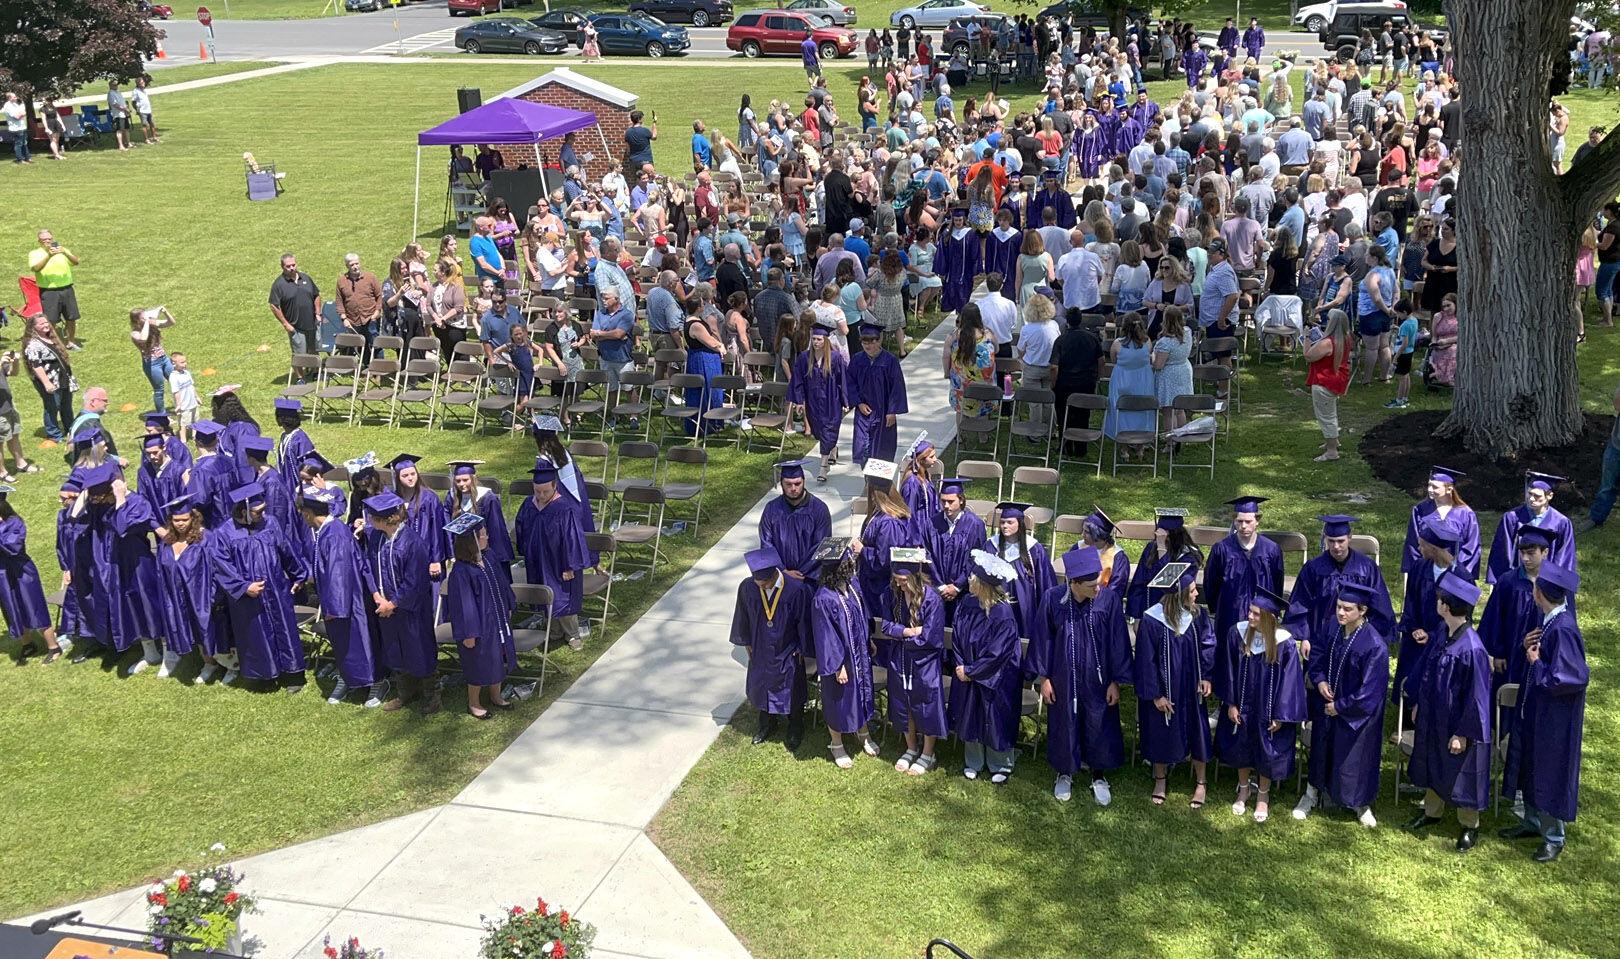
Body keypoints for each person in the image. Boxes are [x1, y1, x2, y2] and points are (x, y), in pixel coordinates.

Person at [1498, 562, 1587, 862]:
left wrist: (1536, 662)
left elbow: (1571, 678)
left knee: (1548, 771)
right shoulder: (1550, 620)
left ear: (1539, 594)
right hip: (1537, 711)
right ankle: (1532, 823)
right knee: (1532, 765)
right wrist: (1528, 647)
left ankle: (1553, 836)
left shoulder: (1564, 628)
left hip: (1555, 719)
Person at [1028, 545, 1130, 805]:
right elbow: (1043, 639)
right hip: (1063, 675)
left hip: (1099, 677)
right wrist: (1045, 678)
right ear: (1075, 583)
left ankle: (1098, 774)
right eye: (1092, 586)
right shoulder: (1053, 599)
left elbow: (1119, 641)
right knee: (1065, 721)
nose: (1098, 589)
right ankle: (1065, 772)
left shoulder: (1108, 600)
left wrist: (1115, 681)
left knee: (1099, 721)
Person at [1402, 572, 1491, 853]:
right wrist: (1418, 704)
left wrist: (1463, 734)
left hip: (1457, 724)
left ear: (1445, 607)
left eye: (1440, 599)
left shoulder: (1472, 648)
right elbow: (1427, 672)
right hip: (1434, 716)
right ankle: (1432, 812)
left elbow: (1478, 698)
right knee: (1432, 760)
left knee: (1463, 771)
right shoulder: (1443, 633)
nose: (1437, 602)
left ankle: (1469, 826)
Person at [1294, 581, 1390, 826]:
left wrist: (1340, 707)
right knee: (1320, 750)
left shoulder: (1374, 645)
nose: (1340, 613)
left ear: (1363, 610)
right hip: (1326, 706)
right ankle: (1311, 794)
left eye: (1347, 609)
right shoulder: (1332, 628)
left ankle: (1360, 804)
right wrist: (1319, 680)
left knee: (1354, 758)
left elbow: (1370, 691)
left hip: (1356, 715)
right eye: (1338, 607)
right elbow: (1315, 656)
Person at [1216, 587, 1306, 824]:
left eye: (1256, 614)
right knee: (1241, 746)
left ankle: (1263, 795)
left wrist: (1280, 715)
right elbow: (1228, 672)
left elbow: (1290, 684)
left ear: (1269, 618)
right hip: (1243, 706)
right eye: (1250, 611)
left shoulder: (1284, 644)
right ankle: (1244, 788)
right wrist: (1231, 703)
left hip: (1269, 710)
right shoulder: (1237, 634)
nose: (1250, 617)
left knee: (1267, 750)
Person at [1132, 561, 1214, 808]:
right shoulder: (1152, 620)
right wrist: (1155, 695)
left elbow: (1208, 645)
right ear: (1178, 595)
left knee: (1197, 730)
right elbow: (1146, 661)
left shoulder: (1196, 615)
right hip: (1164, 688)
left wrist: (1207, 676)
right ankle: (1160, 779)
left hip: (1191, 687)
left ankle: (1201, 782)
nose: (1196, 594)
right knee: (1160, 730)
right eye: (1191, 591)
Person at [212, 483, 308, 690]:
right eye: (258, 511)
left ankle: (293, 675)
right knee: (257, 634)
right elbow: (221, 567)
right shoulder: (224, 534)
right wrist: (244, 587)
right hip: (248, 597)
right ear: (242, 510)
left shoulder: (270, 523)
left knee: (284, 629)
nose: (263, 514)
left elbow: (286, 549)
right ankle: (265, 676)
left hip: (276, 588)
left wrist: (298, 575)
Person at [359, 491, 441, 715]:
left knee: (419, 649)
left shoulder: (413, 543)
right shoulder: (376, 538)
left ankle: (432, 696)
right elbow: (368, 568)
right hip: (385, 607)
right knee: (394, 649)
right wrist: (377, 595)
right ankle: (405, 692)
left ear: (384, 519)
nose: (369, 521)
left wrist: (392, 604)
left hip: (410, 609)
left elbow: (414, 582)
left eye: (372, 517)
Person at [300, 485, 381, 707]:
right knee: (346, 644)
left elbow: (338, 574)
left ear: (308, 513)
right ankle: (351, 678)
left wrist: (336, 609)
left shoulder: (334, 534)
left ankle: (376, 682)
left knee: (358, 641)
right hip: (340, 600)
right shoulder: (328, 531)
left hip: (347, 601)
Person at [875, 547, 947, 775]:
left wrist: (902, 636)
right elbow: (886, 626)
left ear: (915, 577)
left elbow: (930, 636)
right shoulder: (891, 594)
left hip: (925, 662)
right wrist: (907, 632)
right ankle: (911, 747)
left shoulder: (932, 599)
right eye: (896, 580)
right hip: (899, 659)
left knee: (925, 705)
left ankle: (928, 753)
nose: (900, 585)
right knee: (903, 702)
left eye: (904, 580)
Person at [732, 546, 812, 749]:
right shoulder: (748, 587)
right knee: (762, 685)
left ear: (775, 573)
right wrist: (747, 641)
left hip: (787, 648)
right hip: (760, 646)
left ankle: (795, 727)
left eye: (766, 583)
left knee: (791, 688)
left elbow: (805, 621)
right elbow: (742, 616)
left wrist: (802, 647)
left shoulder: (796, 589)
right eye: (759, 583)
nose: (764, 587)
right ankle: (767, 724)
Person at [1284, 514, 1395, 657]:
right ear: (1325, 539)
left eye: (1341, 541)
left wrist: (1374, 638)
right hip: (1320, 637)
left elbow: (1379, 604)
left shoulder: (1366, 567)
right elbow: (1301, 603)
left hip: (1356, 636)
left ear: (1350, 537)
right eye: (1331, 541)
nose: (1336, 546)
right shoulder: (1313, 568)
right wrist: (1305, 637)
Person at [809, 537, 877, 767]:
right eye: (848, 562)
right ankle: (836, 744)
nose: (852, 564)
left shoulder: (853, 586)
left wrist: (868, 640)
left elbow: (862, 615)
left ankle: (863, 733)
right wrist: (838, 665)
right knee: (838, 699)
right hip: (841, 660)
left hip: (859, 652)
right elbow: (825, 635)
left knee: (861, 693)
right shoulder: (823, 599)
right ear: (837, 568)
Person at [442, 513, 517, 720]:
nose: (487, 537)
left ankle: (496, 695)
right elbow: (463, 606)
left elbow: (502, 584)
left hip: (498, 620)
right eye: (483, 535)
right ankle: (474, 702)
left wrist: (509, 605)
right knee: (478, 661)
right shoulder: (461, 571)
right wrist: (469, 633)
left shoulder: (489, 557)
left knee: (498, 655)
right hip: (479, 626)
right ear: (472, 541)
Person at [515, 457, 590, 652]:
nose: (540, 495)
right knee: (546, 595)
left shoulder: (565, 508)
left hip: (560, 562)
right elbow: (521, 529)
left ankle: (572, 634)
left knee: (563, 597)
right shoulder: (528, 505)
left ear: (555, 486)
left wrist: (569, 566)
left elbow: (572, 539)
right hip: (538, 560)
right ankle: (555, 631)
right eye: (537, 491)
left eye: (545, 491)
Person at [1396, 514, 1471, 708]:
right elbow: (1410, 601)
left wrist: (1432, 635)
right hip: (1416, 634)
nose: (1419, 548)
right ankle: (1405, 720)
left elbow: (1461, 616)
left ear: (1434, 548)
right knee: (1410, 667)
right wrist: (1413, 627)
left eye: (1422, 545)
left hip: (1443, 639)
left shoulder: (1462, 577)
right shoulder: (1419, 567)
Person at [0, 485, 62, 662]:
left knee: (33, 606)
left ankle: (53, 647)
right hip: (3, 574)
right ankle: (27, 644)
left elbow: (13, 547)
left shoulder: (15, 522)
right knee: (12, 608)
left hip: (22, 572)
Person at [1486, 473, 1576, 585]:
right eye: (1529, 494)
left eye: (1537, 496)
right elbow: (1502, 552)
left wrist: (1557, 586)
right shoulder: (1512, 518)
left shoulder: (1561, 523)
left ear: (1549, 496)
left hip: (1546, 584)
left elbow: (1564, 557)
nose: (1531, 499)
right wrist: (1500, 583)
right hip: (1517, 582)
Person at [854, 461, 914, 619]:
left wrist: (862, 550)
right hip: (872, 584)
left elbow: (884, 561)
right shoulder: (879, 513)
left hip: (881, 589)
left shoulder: (888, 522)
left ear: (873, 491)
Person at [985, 501, 1054, 639]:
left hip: (1025, 608)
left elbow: (1045, 582)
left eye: (1010, 522)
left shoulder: (1033, 549)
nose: (1004, 526)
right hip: (997, 605)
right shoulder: (992, 545)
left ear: (1020, 523)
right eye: (1002, 522)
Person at [758, 459, 832, 582]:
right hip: (780, 577)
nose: (793, 488)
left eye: (797, 483)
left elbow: (822, 546)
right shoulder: (771, 509)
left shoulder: (819, 509)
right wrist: (782, 571)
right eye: (788, 484)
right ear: (781, 483)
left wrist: (802, 573)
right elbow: (766, 543)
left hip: (810, 578)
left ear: (804, 481)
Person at [789, 327, 848, 482]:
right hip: (813, 402)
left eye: (819, 339)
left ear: (826, 340)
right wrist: (799, 401)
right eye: (814, 339)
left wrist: (845, 400)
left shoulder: (835, 358)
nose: (816, 342)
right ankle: (832, 448)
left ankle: (823, 467)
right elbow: (798, 381)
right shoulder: (804, 358)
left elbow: (843, 381)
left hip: (832, 401)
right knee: (819, 430)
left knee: (829, 428)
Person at [845, 324, 908, 467]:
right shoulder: (857, 360)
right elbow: (850, 383)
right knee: (863, 447)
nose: (867, 345)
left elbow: (897, 387)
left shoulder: (889, 361)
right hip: (864, 411)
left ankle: (879, 483)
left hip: (884, 411)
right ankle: (868, 480)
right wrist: (859, 403)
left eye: (871, 342)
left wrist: (892, 411)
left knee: (882, 449)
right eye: (864, 342)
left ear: (878, 341)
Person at [1402, 466, 1480, 579]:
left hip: (1455, 574)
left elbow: (1471, 547)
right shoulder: (1421, 510)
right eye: (1429, 485)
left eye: (1435, 487)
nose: (1430, 490)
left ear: (1449, 489)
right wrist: (1415, 571)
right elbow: (1413, 543)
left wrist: (1457, 571)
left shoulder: (1466, 514)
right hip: (1426, 573)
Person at [925, 477, 985, 620]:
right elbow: (926, 554)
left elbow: (977, 558)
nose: (946, 506)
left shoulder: (975, 525)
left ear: (962, 500)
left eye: (951, 501)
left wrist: (957, 586)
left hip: (964, 592)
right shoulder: (932, 523)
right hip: (936, 591)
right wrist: (940, 586)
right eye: (943, 501)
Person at [1126, 508, 1203, 620]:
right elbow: (1139, 581)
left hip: (1175, 615)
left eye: (1165, 533)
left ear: (1175, 534)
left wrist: (1162, 548)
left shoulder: (1189, 555)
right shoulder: (1151, 548)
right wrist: (1137, 616)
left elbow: (1167, 581)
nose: (1160, 536)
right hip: (1149, 611)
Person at [442, 461, 512, 578]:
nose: (461, 484)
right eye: (458, 481)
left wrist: (494, 558)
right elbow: (447, 525)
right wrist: (451, 552)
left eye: (465, 480)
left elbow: (496, 529)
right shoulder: (452, 497)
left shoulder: (488, 498)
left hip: (483, 552)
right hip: (462, 554)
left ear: (473, 479)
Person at [1303, 307, 1352, 462]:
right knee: (1330, 411)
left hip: (1324, 381)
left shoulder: (1327, 343)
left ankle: (1332, 451)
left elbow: (1308, 356)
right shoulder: (1346, 338)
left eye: (1328, 319)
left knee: (1325, 416)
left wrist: (1306, 338)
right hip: (1336, 379)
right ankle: (1332, 440)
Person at [1100, 314, 1155, 450]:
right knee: (1141, 408)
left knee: (1122, 408)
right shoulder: (1147, 342)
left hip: (1122, 379)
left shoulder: (1118, 344)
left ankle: (1123, 443)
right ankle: (1140, 442)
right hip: (1142, 380)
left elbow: (1114, 360)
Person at [269, 253, 323, 373]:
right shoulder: (279, 284)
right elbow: (274, 305)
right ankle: (300, 377)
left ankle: (315, 372)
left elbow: (316, 295)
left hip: (312, 323)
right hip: (295, 326)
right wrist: (285, 324)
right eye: (288, 266)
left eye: (293, 265)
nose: (292, 268)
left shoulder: (306, 278)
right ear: (282, 267)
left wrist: (318, 314)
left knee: (314, 349)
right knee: (298, 354)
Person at [29, 231, 82, 348]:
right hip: (49, 291)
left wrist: (65, 253)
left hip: (67, 289)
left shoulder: (62, 250)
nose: (48, 241)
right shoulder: (35, 253)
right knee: (51, 319)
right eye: (44, 240)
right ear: (39, 242)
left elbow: (76, 262)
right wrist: (49, 255)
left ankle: (71, 342)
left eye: (49, 239)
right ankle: (52, 343)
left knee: (71, 317)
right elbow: (35, 268)